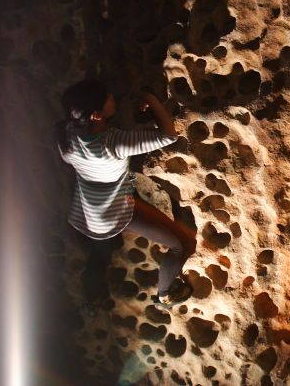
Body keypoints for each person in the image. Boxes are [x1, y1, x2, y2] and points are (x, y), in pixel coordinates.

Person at [55, 78, 196, 308]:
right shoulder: (113, 143)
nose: (111, 97)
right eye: (107, 97)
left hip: (87, 209)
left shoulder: (66, 135)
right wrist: (150, 99)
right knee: (183, 245)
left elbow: (98, 124)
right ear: (96, 115)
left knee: (101, 253)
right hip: (116, 207)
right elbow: (169, 135)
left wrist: (126, 103)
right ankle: (164, 295)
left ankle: (92, 299)